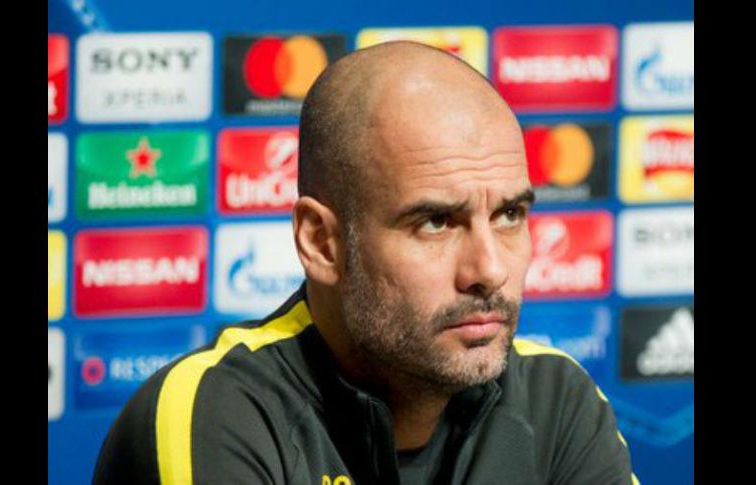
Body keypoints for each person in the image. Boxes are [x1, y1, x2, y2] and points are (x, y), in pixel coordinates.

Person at [93, 41, 638, 485]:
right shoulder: (214, 411)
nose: (489, 270)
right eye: (436, 222)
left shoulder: (556, 397)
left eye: (510, 214)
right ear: (322, 243)